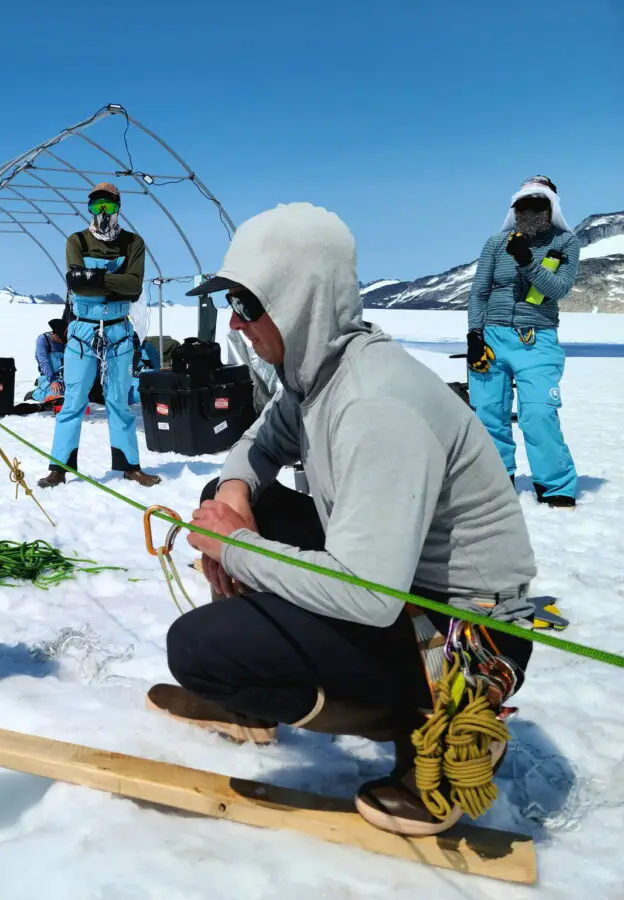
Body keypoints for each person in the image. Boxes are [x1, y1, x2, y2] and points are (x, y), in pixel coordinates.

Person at [150, 203, 538, 836]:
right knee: (262, 506)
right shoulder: (317, 378)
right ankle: (262, 684)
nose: (235, 322)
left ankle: (432, 720)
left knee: (198, 649)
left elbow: (366, 593)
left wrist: (237, 546)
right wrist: (238, 494)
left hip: (461, 632)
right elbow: (256, 446)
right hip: (404, 589)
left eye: (249, 304)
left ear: (301, 300)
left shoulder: (374, 407)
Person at [466, 176, 581, 507]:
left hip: (537, 340)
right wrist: (474, 335)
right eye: (523, 204)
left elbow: (557, 290)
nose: (529, 210)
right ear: (514, 208)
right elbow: (479, 292)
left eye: (538, 204)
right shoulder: (494, 243)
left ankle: (556, 484)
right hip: (492, 337)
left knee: (538, 413)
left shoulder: (566, 243)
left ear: (551, 207)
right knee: (489, 412)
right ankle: (496, 481)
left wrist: (527, 261)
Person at [39, 183, 160, 488]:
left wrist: (95, 280)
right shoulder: (76, 240)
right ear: (89, 208)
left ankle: (129, 465)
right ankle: (59, 467)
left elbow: (134, 287)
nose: (102, 213)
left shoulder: (134, 243)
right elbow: (77, 285)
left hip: (118, 331)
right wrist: (114, 281)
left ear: (118, 207)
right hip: (82, 333)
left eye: (108, 206)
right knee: (74, 400)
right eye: (96, 207)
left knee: (119, 401)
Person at [31, 318, 67, 404]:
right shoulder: (43, 340)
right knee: (55, 395)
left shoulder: (67, 341)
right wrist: (52, 381)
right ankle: (35, 393)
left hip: (64, 378)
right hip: (49, 377)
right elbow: (43, 362)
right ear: (55, 335)